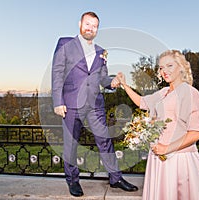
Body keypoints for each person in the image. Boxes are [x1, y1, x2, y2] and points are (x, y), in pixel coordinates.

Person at [51, 11, 138, 197]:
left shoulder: (101, 52)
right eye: (88, 24)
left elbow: (103, 78)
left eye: (94, 26)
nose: (90, 28)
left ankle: (116, 178)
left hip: (95, 104)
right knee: (71, 144)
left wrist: (113, 82)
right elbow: (57, 73)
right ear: (80, 24)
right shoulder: (65, 43)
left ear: (98, 29)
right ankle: (73, 181)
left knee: (105, 141)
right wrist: (58, 101)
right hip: (71, 103)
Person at [117, 50, 199, 199]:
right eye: (161, 67)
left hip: (178, 161)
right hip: (159, 159)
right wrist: (123, 84)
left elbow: (198, 132)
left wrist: (167, 148)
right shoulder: (164, 92)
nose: (164, 71)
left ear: (181, 67)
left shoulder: (190, 93)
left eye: (169, 65)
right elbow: (142, 102)